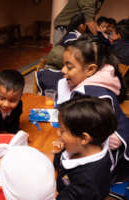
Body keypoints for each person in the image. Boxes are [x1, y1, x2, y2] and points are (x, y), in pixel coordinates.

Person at [56, 35, 129, 183]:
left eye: (69, 67)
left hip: (106, 163)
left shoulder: (93, 95)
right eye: (63, 65)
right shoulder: (97, 83)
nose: (63, 70)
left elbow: (109, 140)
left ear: (90, 69)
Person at [53, 96, 117, 199]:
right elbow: (58, 158)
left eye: (62, 130)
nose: (57, 133)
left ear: (84, 138)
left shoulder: (88, 183)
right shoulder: (77, 147)